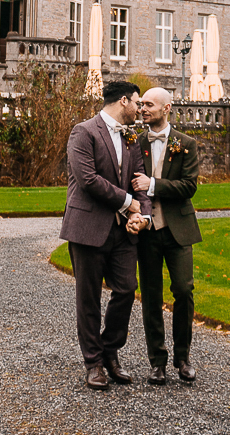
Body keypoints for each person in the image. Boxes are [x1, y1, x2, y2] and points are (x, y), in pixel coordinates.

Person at [60, 80, 150, 390]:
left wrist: (142, 214)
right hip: (87, 227)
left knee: (126, 289)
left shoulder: (131, 136)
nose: (140, 109)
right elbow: (87, 180)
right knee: (88, 298)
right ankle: (94, 363)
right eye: (137, 103)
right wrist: (127, 202)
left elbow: (140, 182)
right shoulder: (83, 132)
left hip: (122, 230)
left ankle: (110, 351)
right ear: (124, 101)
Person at [132, 87, 201, 383]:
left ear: (167, 108)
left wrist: (153, 185)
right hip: (147, 232)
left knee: (184, 291)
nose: (143, 109)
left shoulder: (186, 144)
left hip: (178, 230)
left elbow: (189, 187)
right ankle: (157, 361)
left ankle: (183, 358)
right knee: (150, 295)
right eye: (142, 104)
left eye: (149, 104)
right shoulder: (135, 143)